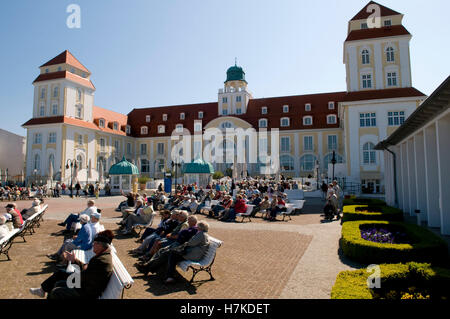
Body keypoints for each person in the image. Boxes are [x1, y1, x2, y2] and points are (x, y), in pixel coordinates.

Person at [30, 230, 114, 299]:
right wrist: (74, 260)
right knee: (59, 282)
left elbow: (84, 276)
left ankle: (42, 290)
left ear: (101, 245)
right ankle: (42, 290)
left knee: (56, 291)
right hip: (85, 285)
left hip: (87, 293)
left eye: (95, 243)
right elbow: (86, 271)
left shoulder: (102, 260)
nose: (93, 245)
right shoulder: (102, 255)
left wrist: (76, 273)